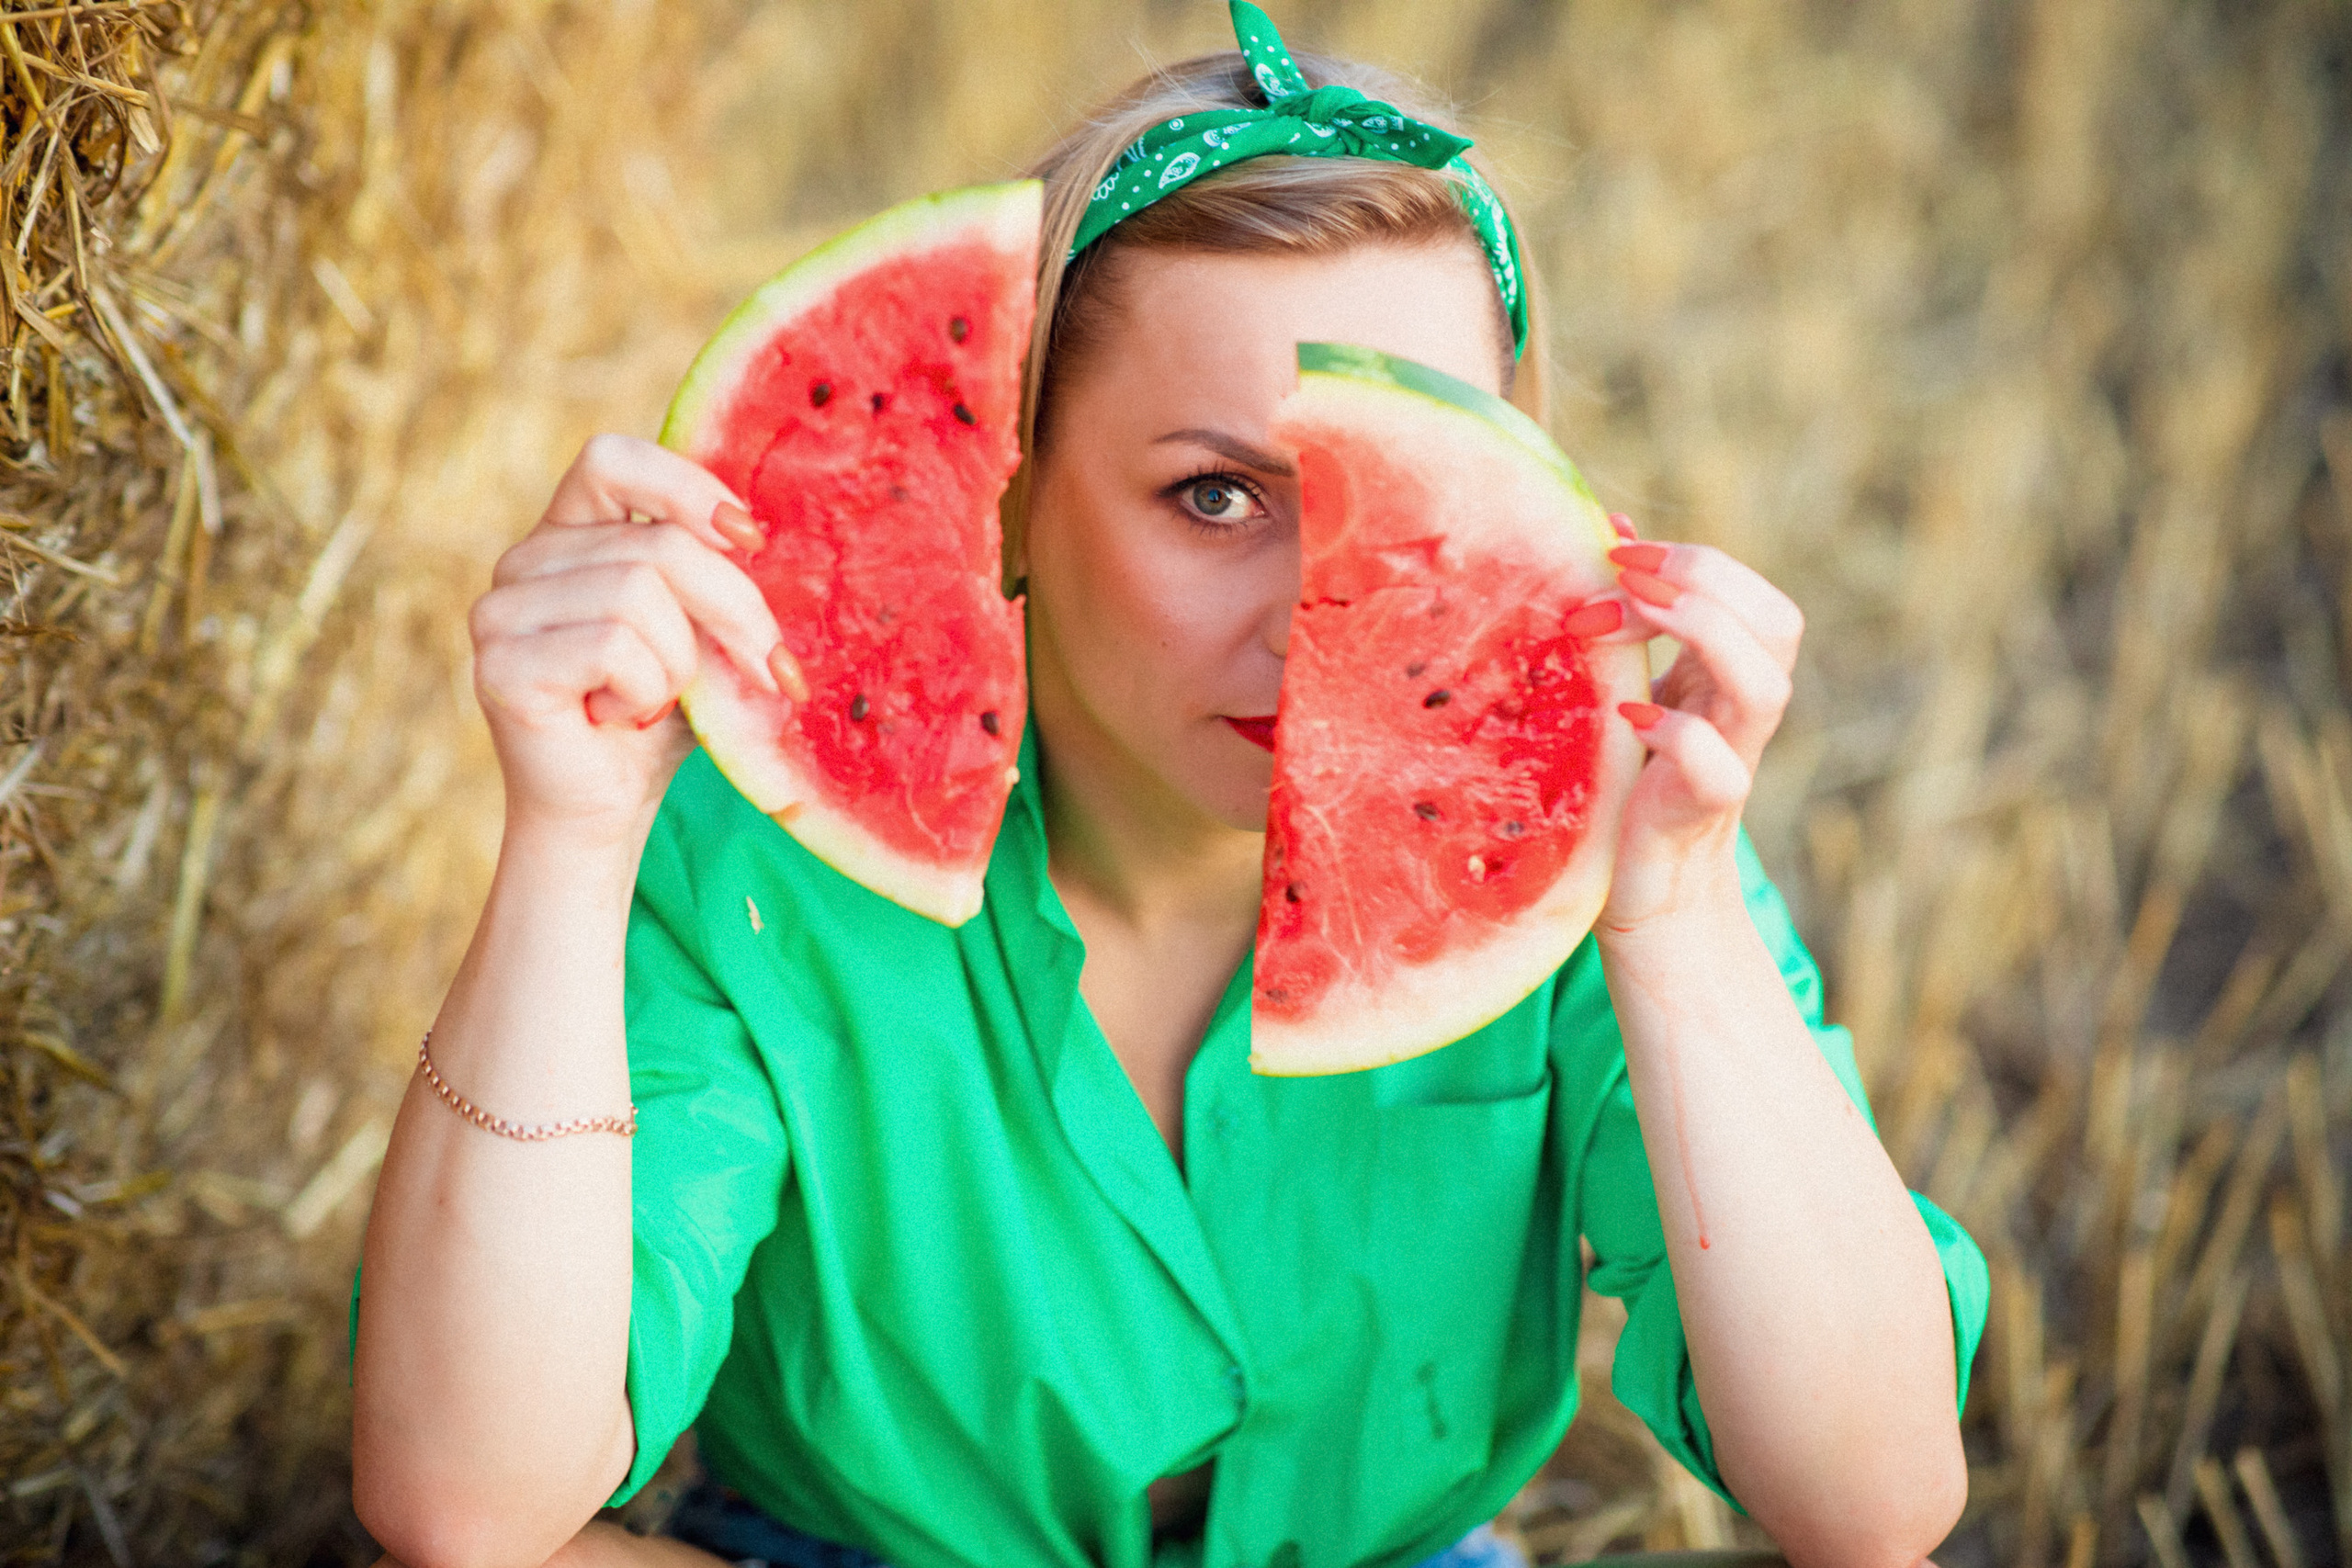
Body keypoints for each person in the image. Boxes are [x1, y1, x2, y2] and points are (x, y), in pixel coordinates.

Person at [350, 8, 1989, 1568]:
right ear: (1004, 488)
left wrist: (1678, 921)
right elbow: (463, 1505)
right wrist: (569, 838)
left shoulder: (1591, 859)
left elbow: (1873, 1498)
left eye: (1410, 502)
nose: (1314, 607)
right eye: (1213, 497)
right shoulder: (765, 864)